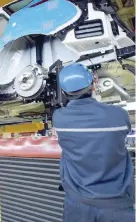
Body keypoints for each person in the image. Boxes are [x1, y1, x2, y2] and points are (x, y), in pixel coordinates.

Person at [52, 63, 135, 222]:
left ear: (64, 92)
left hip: (78, 205)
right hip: (116, 205)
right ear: (93, 85)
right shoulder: (119, 115)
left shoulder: (60, 118)